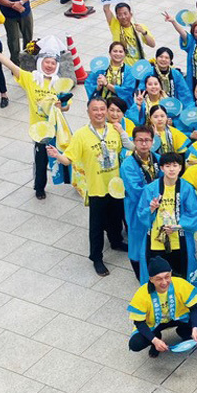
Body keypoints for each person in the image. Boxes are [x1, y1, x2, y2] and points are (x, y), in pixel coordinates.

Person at [47, 98, 126, 276]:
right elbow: (69, 158)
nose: (99, 113)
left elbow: (124, 151)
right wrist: (57, 155)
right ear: (88, 112)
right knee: (96, 225)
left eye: (102, 109)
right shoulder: (82, 135)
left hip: (116, 185)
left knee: (116, 216)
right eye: (95, 110)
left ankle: (116, 242)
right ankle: (96, 257)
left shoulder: (114, 130)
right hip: (97, 187)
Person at [0, 44, 70, 200]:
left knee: (64, 155)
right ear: (40, 62)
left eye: (53, 63)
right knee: (41, 160)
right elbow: (11, 65)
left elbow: (66, 107)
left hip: (57, 128)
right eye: (47, 62)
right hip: (39, 130)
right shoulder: (31, 79)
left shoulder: (60, 83)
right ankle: (39, 187)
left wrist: (61, 106)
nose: (49, 66)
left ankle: (71, 180)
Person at [136, 152, 197, 293]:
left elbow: (194, 213)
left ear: (181, 167)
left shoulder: (186, 188)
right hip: (156, 237)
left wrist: (178, 226)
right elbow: (141, 214)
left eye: (175, 165)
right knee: (156, 267)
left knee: (182, 267)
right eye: (168, 166)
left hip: (179, 236)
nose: (172, 169)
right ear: (161, 168)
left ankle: (182, 291)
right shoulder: (150, 189)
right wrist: (151, 208)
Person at [127, 257, 197, 357]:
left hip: (179, 317)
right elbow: (139, 322)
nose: (164, 282)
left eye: (167, 277)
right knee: (135, 344)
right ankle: (156, 340)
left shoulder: (180, 284)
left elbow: (195, 308)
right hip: (154, 324)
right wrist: (154, 340)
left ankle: (184, 331)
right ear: (151, 279)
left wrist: (194, 329)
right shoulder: (141, 294)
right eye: (158, 279)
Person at [120, 126, 160, 278]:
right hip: (137, 208)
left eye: (147, 140)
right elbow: (136, 191)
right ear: (133, 141)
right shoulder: (128, 165)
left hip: (156, 207)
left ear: (152, 141)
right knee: (137, 242)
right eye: (140, 140)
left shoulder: (156, 158)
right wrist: (158, 191)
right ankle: (139, 274)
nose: (144, 144)